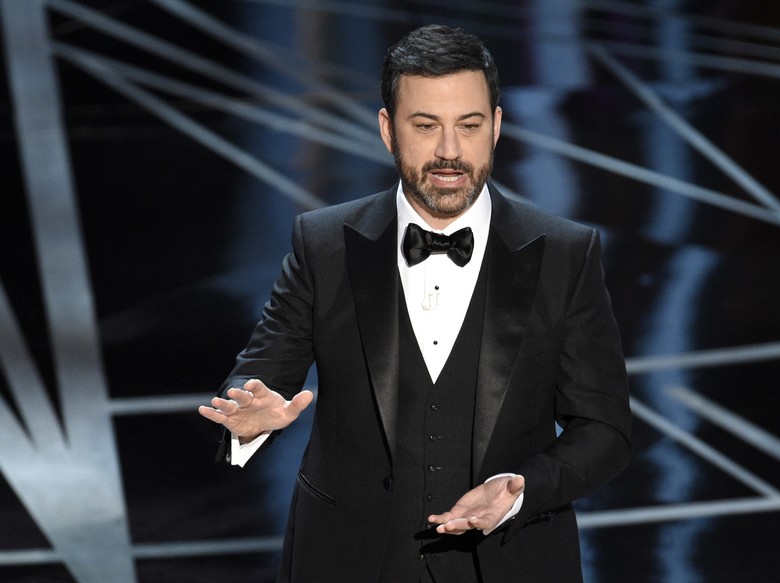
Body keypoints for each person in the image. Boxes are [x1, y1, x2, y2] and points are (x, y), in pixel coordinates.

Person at [199, 24, 631, 583]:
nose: (450, 151)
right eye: (426, 126)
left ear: (496, 127)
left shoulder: (565, 254)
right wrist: (249, 425)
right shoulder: (324, 245)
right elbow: (260, 378)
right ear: (388, 130)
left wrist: (525, 488)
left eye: (469, 126)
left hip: (513, 564)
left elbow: (605, 430)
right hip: (347, 563)